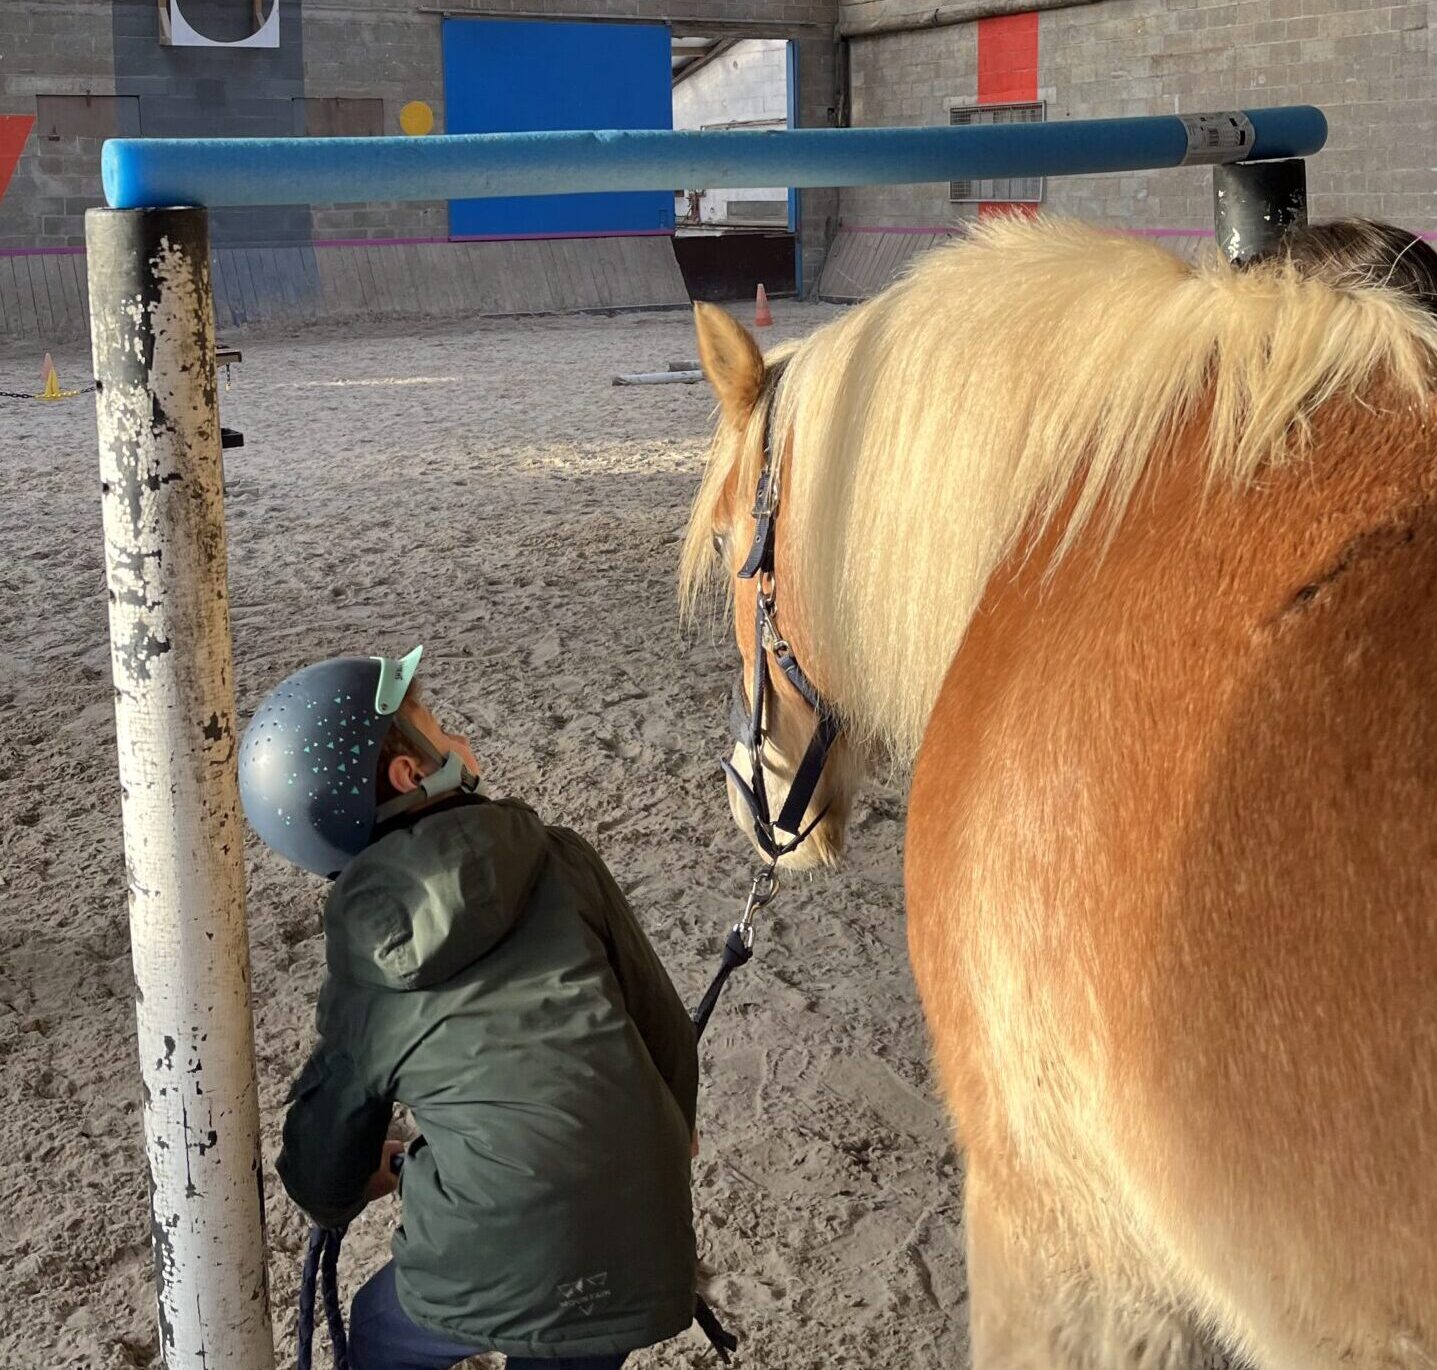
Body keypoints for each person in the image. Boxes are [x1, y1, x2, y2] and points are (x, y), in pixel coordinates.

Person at [239, 646, 699, 1370]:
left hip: (494, 1249)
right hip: (644, 1233)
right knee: (573, 1342)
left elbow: (331, 1132)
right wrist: (676, 1131)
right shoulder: (563, 858)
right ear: (411, 770)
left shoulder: (367, 960)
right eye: (436, 723)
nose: (454, 734)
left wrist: (339, 1190)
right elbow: (662, 1023)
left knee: (379, 1325)